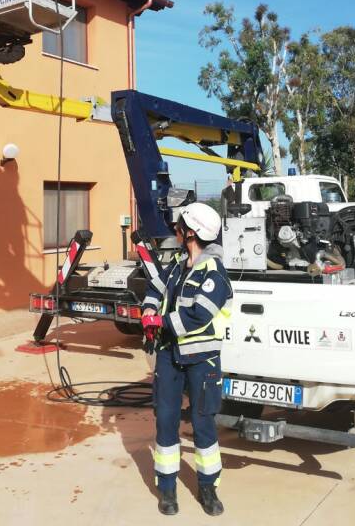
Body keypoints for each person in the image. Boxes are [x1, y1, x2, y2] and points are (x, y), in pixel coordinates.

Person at [141, 202, 232, 517]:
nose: (176, 230)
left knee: (203, 424)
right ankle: (167, 491)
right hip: (168, 355)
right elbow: (155, 287)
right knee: (165, 421)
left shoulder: (214, 274)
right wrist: (150, 308)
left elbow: (198, 315)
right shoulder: (177, 264)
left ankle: (208, 489)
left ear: (191, 232)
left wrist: (160, 322)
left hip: (202, 361)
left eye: (180, 227)